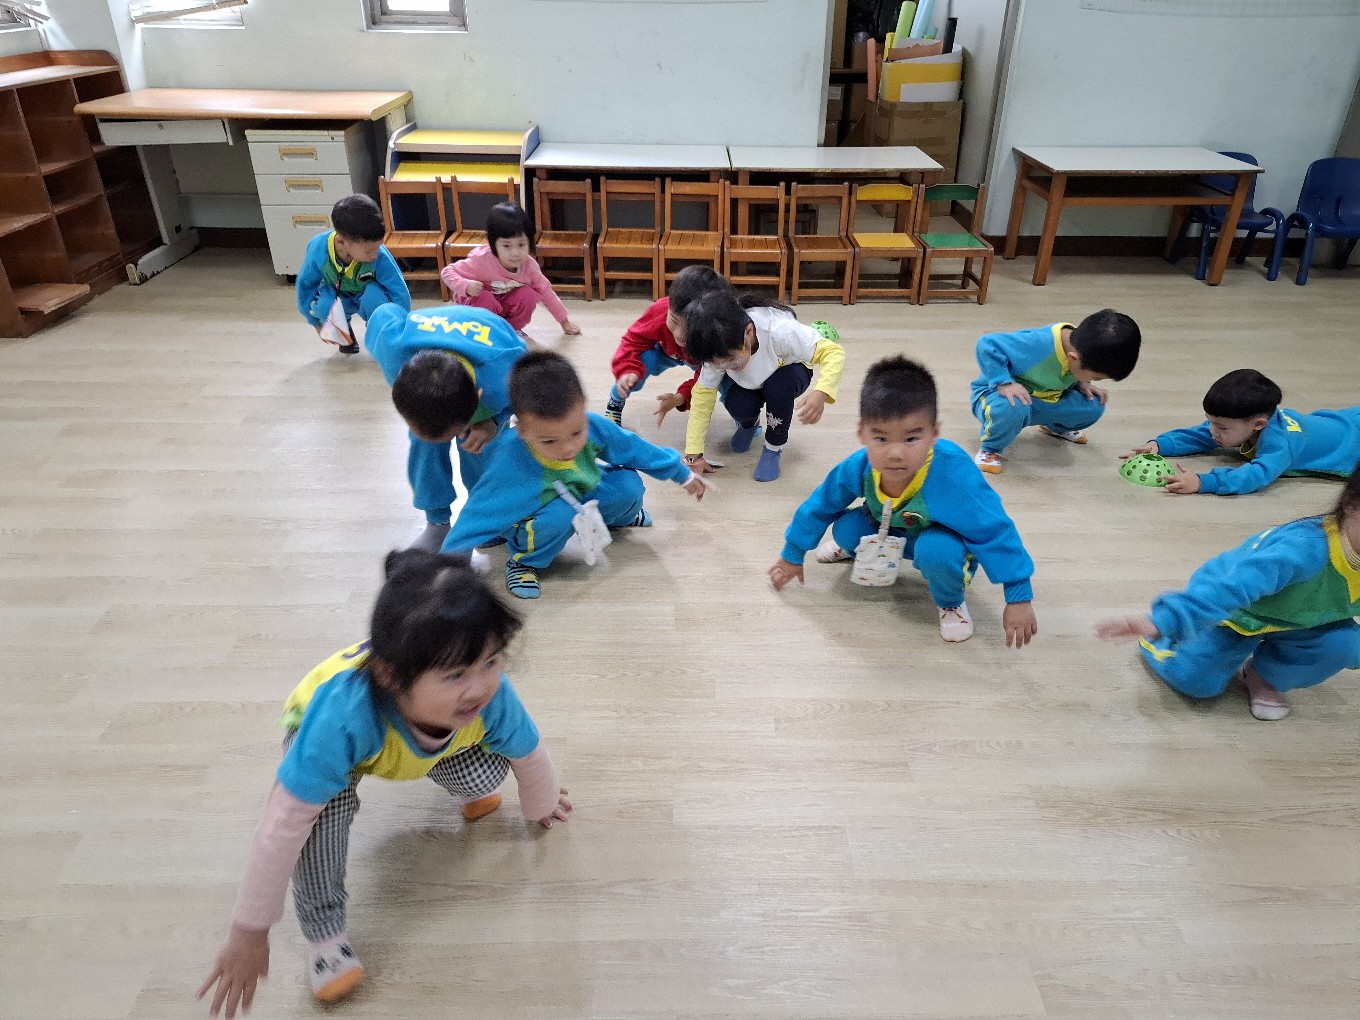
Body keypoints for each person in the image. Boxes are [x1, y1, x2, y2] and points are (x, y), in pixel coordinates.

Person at [196, 550, 571, 1016]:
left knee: (487, 773)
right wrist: (249, 932)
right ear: (390, 675)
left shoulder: (485, 696)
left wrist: (542, 804)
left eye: (491, 661)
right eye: (456, 674)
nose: (479, 686)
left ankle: (449, 761)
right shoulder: (339, 720)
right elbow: (283, 826)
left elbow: (527, 750)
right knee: (323, 819)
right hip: (329, 738)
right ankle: (326, 938)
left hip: (423, 734)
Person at [769, 355, 1038, 646]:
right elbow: (821, 504)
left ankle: (951, 603)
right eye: (881, 439)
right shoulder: (859, 465)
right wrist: (792, 554)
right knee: (846, 529)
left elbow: (995, 529)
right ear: (862, 434)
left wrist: (1018, 595)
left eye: (911, 439)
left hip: (939, 539)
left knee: (937, 552)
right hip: (886, 526)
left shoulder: (954, 473)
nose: (895, 454)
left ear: (934, 433)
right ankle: (855, 549)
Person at [1096, 464, 1360, 720]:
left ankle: (1263, 675)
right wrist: (1164, 622)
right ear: (1349, 503)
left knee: (1347, 646)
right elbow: (1227, 588)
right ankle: (1161, 641)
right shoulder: (1302, 549)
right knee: (1196, 681)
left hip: (1303, 618)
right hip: (1235, 611)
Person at [442, 351, 707, 599]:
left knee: (629, 486)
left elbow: (635, 449)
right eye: (549, 441)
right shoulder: (507, 460)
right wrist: (443, 568)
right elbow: (477, 513)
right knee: (559, 516)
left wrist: (682, 475)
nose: (568, 448)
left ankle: (620, 518)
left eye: (576, 433)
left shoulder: (592, 424)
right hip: (534, 510)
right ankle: (523, 562)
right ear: (522, 430)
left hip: (579, 488)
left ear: (582, 408)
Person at [364, 303, 528, 552]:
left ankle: (481, 514)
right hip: (432, 339)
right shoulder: (392, 348)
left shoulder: (503, 374)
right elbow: (383, 312)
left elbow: (526, 393)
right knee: (423, 450)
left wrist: (494, 423)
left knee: (480, 449)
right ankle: (437, 522)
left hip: (493, 336)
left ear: (479, 398)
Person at [681, 290, 845, 482]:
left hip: (790, 371)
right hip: (753, 381)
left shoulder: (780, 331)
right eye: (721, 365)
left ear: (749, 332)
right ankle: (749, 425)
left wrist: (822, 392)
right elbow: (702, 398)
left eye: (732, 360)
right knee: (737, 402)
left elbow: (833, 352)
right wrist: (693, 455)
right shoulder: (717, 350)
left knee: (778, 387)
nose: (727, 367)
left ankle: (773, 449)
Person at [1120, 368, 1360, 495]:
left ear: (1258, 424)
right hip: (1344, 421)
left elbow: (1256, 476)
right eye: (1211, 422)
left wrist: (1203, 482)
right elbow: (1199, 435)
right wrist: (1160, 444)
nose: (1212, 431)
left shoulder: (1281, 443)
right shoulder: (1246, 422)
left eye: (1221, 427)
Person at [970, 309, 1141, 474]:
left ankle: (1055, 427)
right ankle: (990, 449)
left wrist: (1083, 383)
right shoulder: (1037, 343)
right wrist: (1003, 383)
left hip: (1045, 399)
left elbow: (1074, 371)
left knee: (1095, 405)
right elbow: (987, 344)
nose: (1095, 381)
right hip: (998, 397)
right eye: (1096, 378)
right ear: (1073, 358)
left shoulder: (1084, 346)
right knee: (1011, 408)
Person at [604, 265, 731, 427]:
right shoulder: (660, 310)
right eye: (674, 320)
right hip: (665, 350)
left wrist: (680, 397)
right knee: (634, 372)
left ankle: (746, 418)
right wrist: (627, 369)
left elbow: (708, 380)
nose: (679, 335)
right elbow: (633, 340)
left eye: (690, 329)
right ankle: (616, 400)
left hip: (701, 359)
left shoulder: (718, 334)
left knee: (729, 384)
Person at [440, 202, 580, 336]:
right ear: (493, 245)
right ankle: (486, 330)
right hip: (477, 309)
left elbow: (546, 292)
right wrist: (465, 286)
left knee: (528, 295)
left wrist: (564, 323)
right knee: (484, 297)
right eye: (506, 246)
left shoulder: (529, 266)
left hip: (503, 306)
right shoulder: (481, 260)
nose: (515, 253)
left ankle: (511, 330)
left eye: (521, 245)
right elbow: (447, 272)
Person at [296, 194, 410, 354]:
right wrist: (314, 321)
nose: (374, 255)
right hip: (337, 293)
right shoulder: (318, 249)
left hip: (368, 292)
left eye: (378, 247)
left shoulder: (379, 256)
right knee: (323, 307)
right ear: (341, 242)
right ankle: (345, 335)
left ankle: (380, 336)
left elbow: (398, 289)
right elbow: (306, 286)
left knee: (376, 301)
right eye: (368, 251)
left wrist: (403, 325)